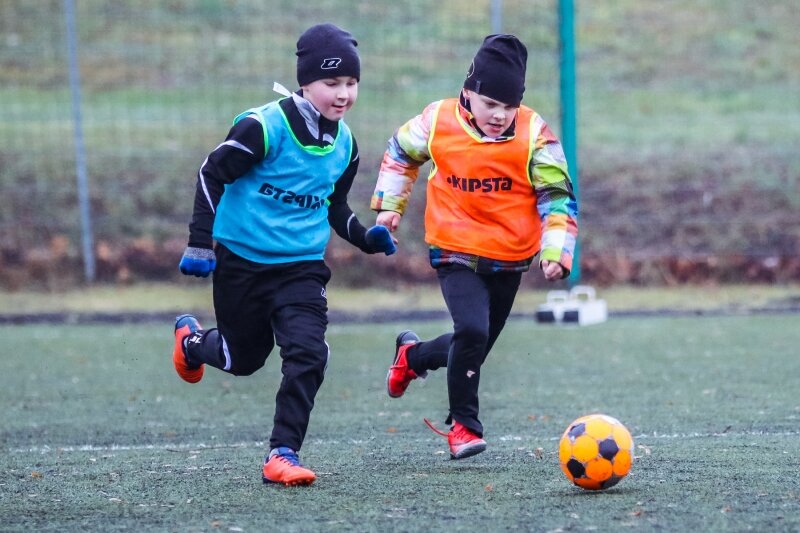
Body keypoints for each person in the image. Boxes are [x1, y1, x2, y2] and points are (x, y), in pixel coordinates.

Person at [172, 23, 396, 486]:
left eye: (351, 83)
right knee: (242, 360)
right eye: (332, 82)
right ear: (306, 81)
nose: (343, 94)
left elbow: (333, 206)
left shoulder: (346, 145)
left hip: (301, 269)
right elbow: (211, 173)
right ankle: (192, 343)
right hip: (242, 263)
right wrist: (199, 241)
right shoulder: (263, 128)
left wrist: (364, 237)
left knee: (309, 353)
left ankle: (283, 453)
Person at [371, 34, 578, 459]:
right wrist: (390, 206)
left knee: (473, 347)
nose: (499, 115)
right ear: (468, 92)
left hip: (509, 257)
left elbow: (557, 195)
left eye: (509, 106)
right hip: (454, 248)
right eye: (490, 104)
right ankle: (464, 427)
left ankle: (413, 357)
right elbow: (400, 152)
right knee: (472, 331)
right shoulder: (437, 120)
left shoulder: (535, 133)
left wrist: (556, 250)